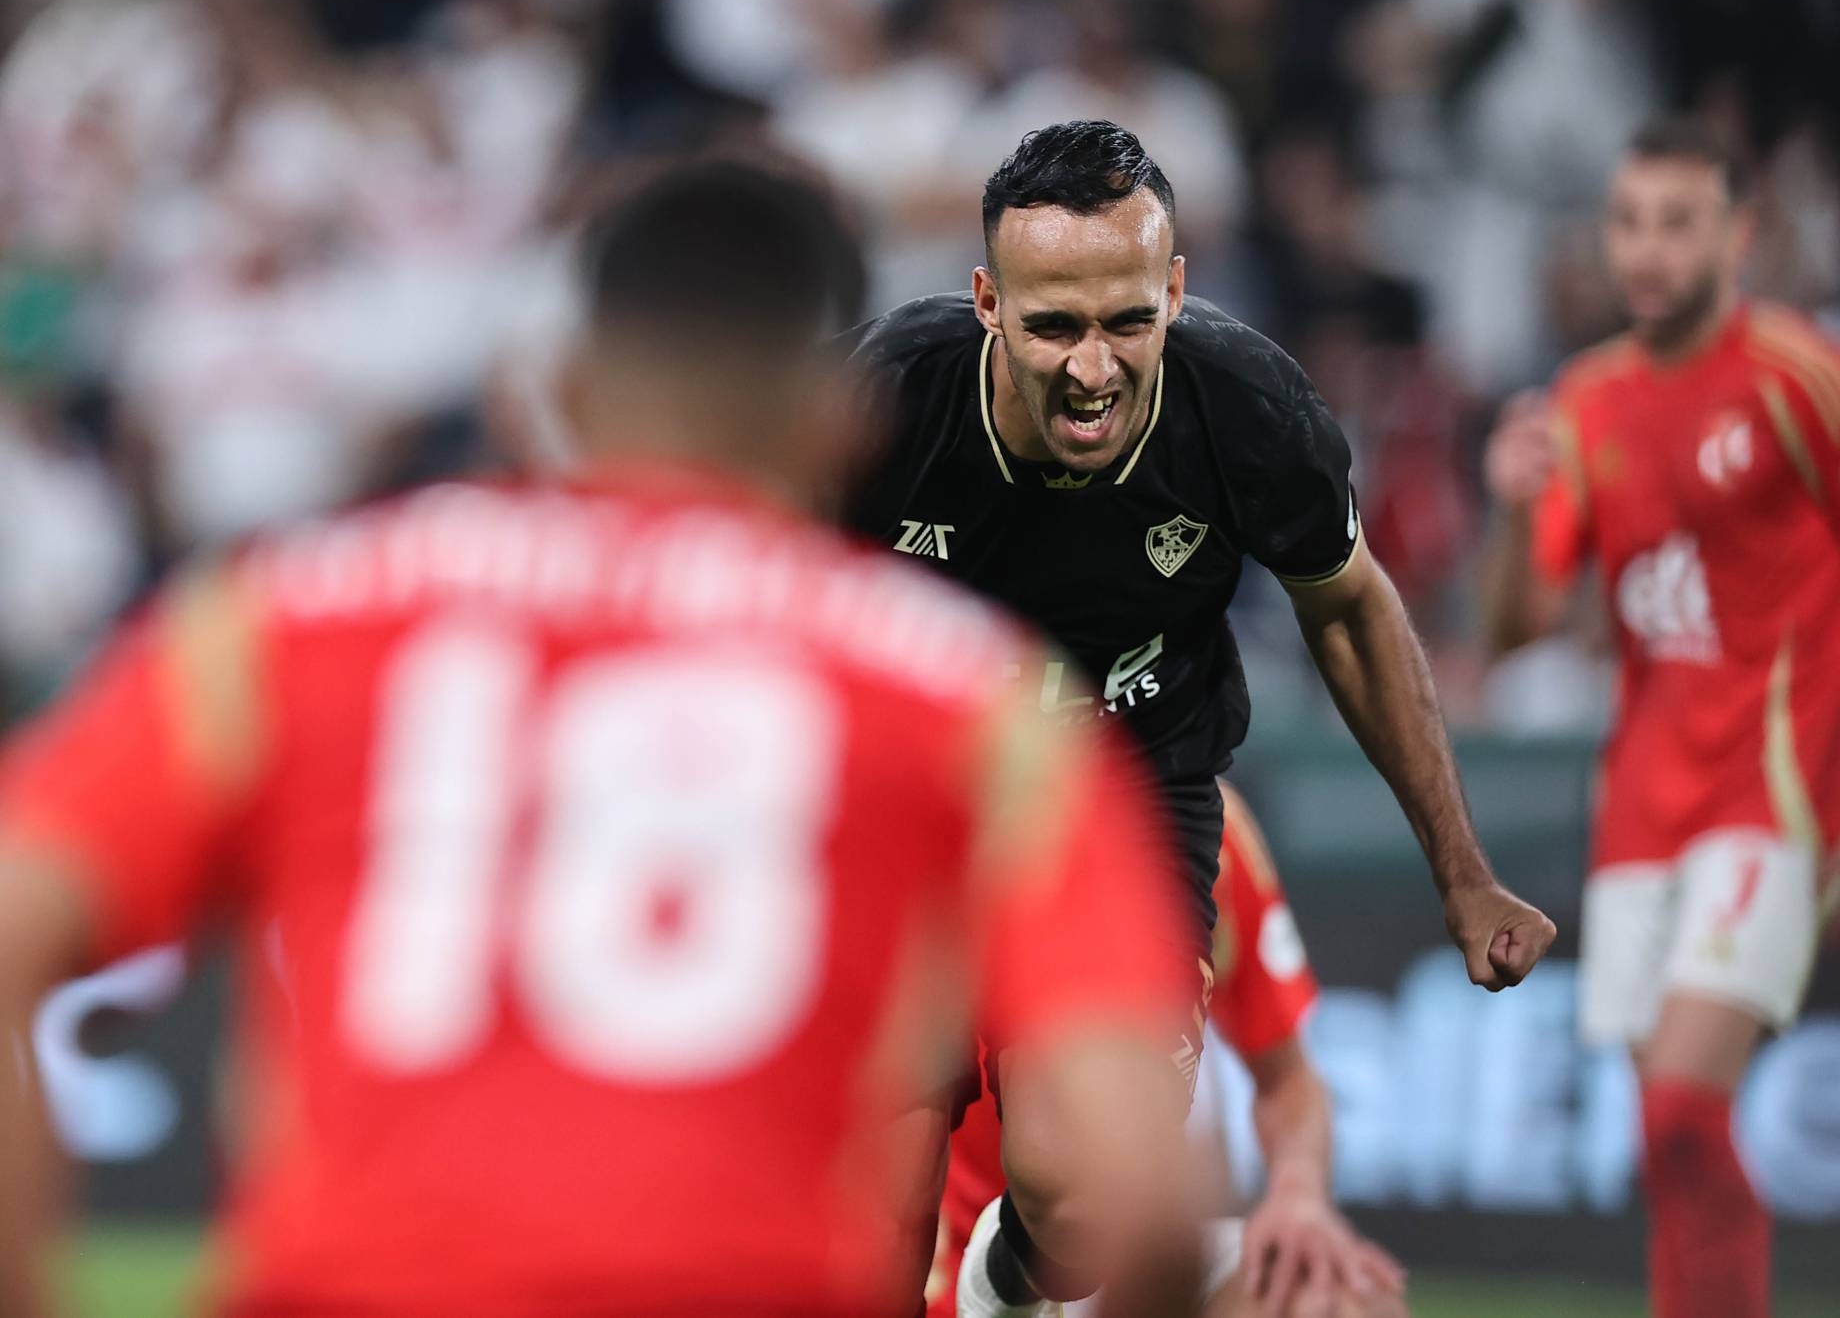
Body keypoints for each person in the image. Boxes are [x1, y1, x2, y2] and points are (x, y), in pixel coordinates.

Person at [0, 161, 1204, 1318]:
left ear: (564, 392)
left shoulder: (283, 617)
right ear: (844, 425)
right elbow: (1139, 1192)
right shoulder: (966, 698)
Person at [844, 119, 1556, 1318]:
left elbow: (1350, 613)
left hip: (1125, 809)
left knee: (1093, 1205)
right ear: (986, 303)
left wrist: (1462, 873)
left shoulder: (1249, 413)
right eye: (1052, 327)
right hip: (917, 814)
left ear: (1174, 292)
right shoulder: (879, 404)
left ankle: (995, 1292)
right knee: (866, 1222)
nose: (1092, 369)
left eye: (1126, 321)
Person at [1482, 117, 1840, 1318]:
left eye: (1676, 222)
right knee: (1668, 1147)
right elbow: (1516, 627)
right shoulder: (1583, 401)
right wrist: (1512, 506)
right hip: (1639, 810)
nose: (1646, 250)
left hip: (1769, 794)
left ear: (1737, 236)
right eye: (1628, 222)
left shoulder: (1799, 376)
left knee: (1683, 1111)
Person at [927, 781, 1407, 1318]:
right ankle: (1004, 1269)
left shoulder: (1211, 830)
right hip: (942, 1246)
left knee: (1345, 1301)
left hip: (1125, 1253)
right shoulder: (941, 799)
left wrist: (1299, 1194)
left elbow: (1288, 1080)